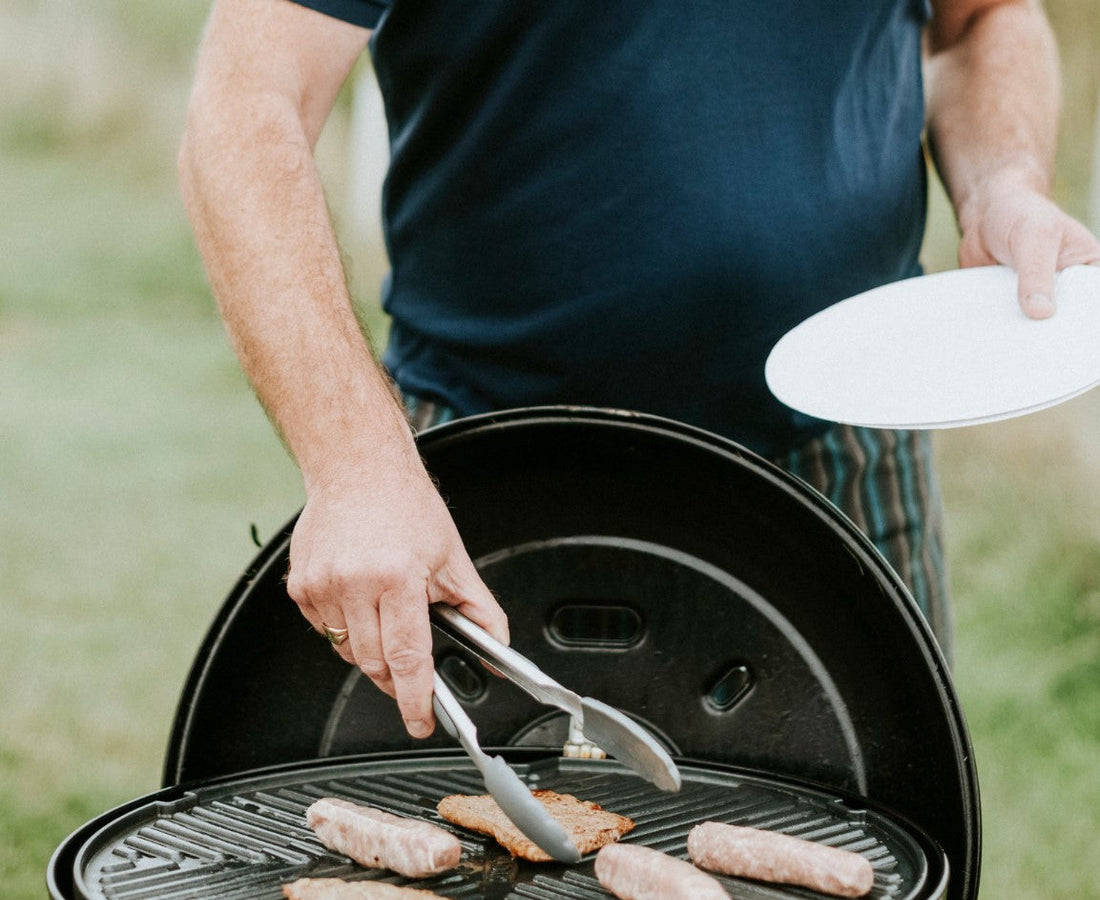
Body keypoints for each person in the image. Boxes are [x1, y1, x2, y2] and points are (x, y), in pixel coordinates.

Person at [178, 0, 1098, 735]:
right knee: (479, 898)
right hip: (485, 470)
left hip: (847, 454)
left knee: (875, 875)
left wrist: (1005, 183)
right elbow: (247, 99)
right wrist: (354, 464)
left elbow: (984, 20)